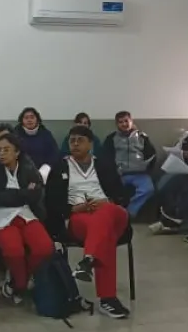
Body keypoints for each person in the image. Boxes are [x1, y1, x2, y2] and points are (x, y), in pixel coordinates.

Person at [45, 125, 132, 319]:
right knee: (105, 236)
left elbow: (122, 195)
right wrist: (74, 208)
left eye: (80, 140)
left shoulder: (103, 165)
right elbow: (51, 202)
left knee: (107, 212)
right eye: (72, 141)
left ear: (90, 144)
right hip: (79, 217)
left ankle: (89, 258)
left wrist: (106, 202)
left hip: (113, 213)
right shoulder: (60, 167)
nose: (75, 144)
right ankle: (107, 299)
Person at [0, 133, 54, 304]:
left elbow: (35, 195)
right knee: (14, 250)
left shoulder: (29, 168)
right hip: (0, 217)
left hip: (26, 215)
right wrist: (23, 194)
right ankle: (20, 285)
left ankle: (23, 276)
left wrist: (11, 195)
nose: (2, 154)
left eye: (6, 150)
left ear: (17, 152)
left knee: (45, 248)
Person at [100, 111, 158, 218]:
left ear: (131, 121)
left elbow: (152, 155)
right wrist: (114, 171)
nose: (124, 124)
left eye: (126, 121)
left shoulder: (142, 137)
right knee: (110, 188)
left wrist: (146, 168)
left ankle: (129, 212)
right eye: (120, 122)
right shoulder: (111, 138)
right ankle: (116, 213)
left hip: (140, 174)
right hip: (120, 174)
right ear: (117, 124)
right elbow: (106, 158)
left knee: (149, 189)